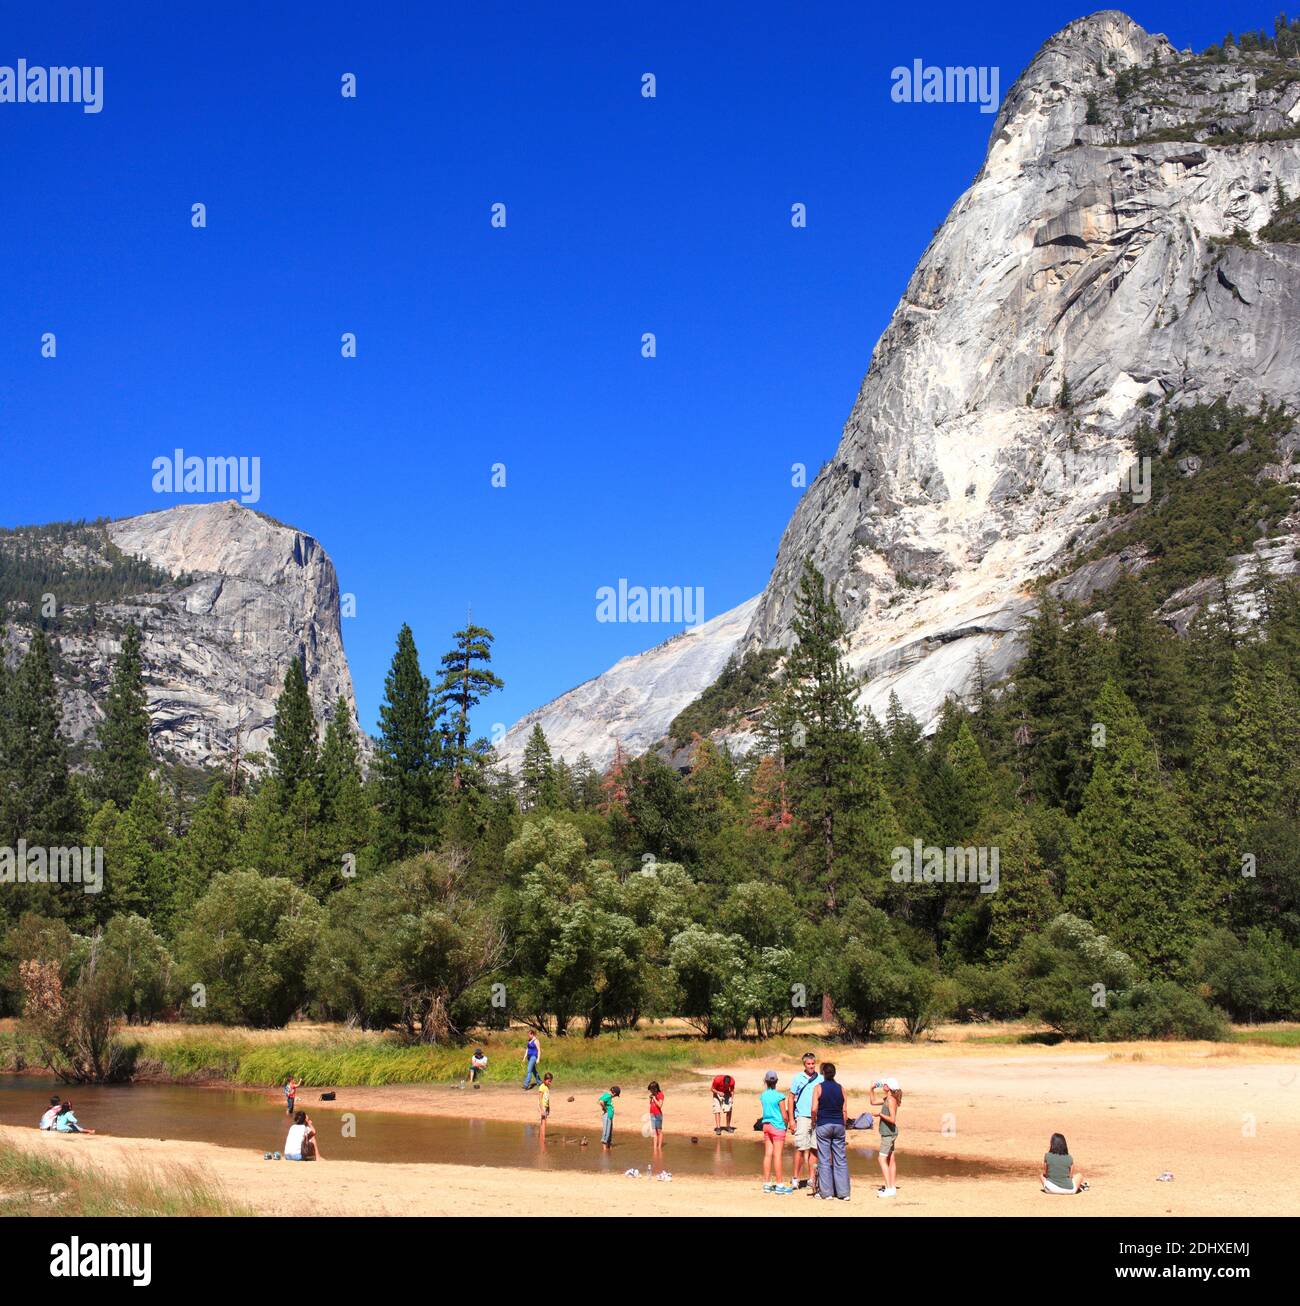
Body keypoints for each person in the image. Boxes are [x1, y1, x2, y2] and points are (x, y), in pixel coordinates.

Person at [811, 1062, 850, 1201]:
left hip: (824, 1124)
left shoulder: (818, 1088)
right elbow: (844, 1110)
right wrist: (843, 1124)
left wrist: (814, 1121)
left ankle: (826, 1193)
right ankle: (844, 1193)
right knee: (841, 1159)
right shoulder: (841, 1088)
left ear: (822, 1073)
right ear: (834, 1073)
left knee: (824, 1159)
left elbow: (814, 1108)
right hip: (839, 1124)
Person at [787, 1051, 823, 1192]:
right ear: (804, 1064)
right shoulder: (798, 1078)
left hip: (817, 1117)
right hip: (802, 1117)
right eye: (808, 1064)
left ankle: (811, 1178)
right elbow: (791, 1098)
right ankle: (795, 1178)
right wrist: (791, 1120)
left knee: (814, 1149)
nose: (811, 1066)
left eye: (813, 1064)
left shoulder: (820, 1078)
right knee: (800, 1148)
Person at [759, 1071, 793, 1194]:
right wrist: (787, 1124)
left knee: (768, 1154)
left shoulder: (763, 1096)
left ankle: (767, 1183)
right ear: (776, 1081)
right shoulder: (780, 1096)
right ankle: (779, 1185)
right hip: (777, 1127)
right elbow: (784, 1115)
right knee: (777, 1156)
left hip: (766, 1126)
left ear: (766, 1081)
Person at [869, 1077, 901, 1198]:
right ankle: (891, 1187)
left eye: (885, 1084)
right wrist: (871, 1089)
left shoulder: (891, 1100)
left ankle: (888, 1188)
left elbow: (892, 1120)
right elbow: (872, 1102)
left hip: (888, 1134)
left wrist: (880, 1114)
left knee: (881, 1159)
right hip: (889, 1133)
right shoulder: (888, 1098)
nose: (883, 1085)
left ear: (889, 1087)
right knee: (890, 1160)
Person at [647, 1081, 664, 1155]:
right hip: (652, 1115)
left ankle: (659, 1147)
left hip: (658, 1115)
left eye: (652, 1089)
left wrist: (654, 1098)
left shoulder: (660, 1095)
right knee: (654, 1131)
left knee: (659, 1131)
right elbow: (651, 1104)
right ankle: (654, 1148)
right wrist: (651, 1099)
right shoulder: (652, 1095)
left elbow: (660, 1105)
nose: (651, 1091)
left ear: (656, 1089)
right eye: (650, 1090)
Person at [539, 1072, 553, 1141]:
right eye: (549, 1081)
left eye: (551, 1081)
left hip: (546, 1106)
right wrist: (542, 1109)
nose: (550, 1083)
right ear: (545, 1080)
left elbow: (547, 1099)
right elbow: (540, 1099)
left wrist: (548, 1107)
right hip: (542, 1106)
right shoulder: (542, 1087)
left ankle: (541, 1136)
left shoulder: (547, 1087)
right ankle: (543, 1137)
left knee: (543, 1122)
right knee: (544, 1122)